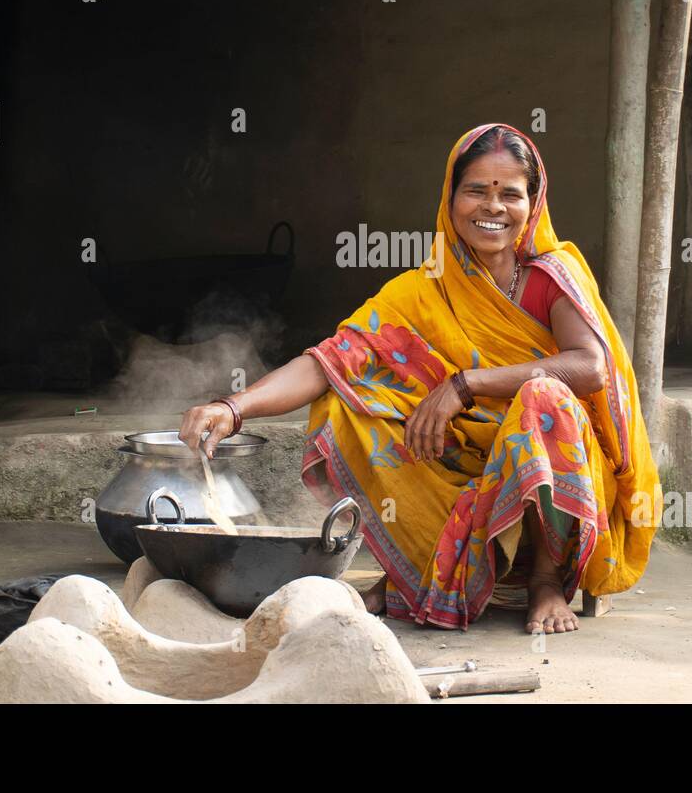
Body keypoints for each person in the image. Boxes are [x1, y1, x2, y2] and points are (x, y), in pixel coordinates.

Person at [178, 123, 660, 633]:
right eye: (475, 190)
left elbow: (589, 367)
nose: (491, 207)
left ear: (533, 204)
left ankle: (545, 580)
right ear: (450, 200)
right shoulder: (422, 288)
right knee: (348, 402)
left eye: (510, 193)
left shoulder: (552, 274)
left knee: (546, 398)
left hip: (561, 470)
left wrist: (464, 385)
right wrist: (232, 408)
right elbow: (328, 361)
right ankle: (417, 567)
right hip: (472, 463)